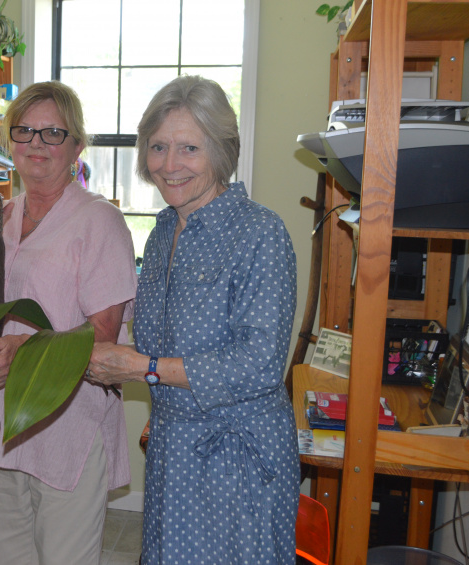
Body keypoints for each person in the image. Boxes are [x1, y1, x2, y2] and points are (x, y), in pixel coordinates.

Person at [86, 75, 300, 564]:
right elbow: (159, 340)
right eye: (158, 147)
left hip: (237, 458)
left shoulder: (260, 232)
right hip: (172, 449)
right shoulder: (163, 231)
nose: (169, 165)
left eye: (189, 148)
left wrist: (143, 368)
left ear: (220, 151)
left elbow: (260, 363)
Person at [0, 81, 138, 565]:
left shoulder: (98, 221)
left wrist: (24, 349)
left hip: (67, 420)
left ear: (76, 146)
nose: (36, 144)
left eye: (53, 133)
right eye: (25, 131)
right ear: (9, 141)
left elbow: (102, 335)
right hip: (7, 420)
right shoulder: (0, 217)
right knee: (9, 556)